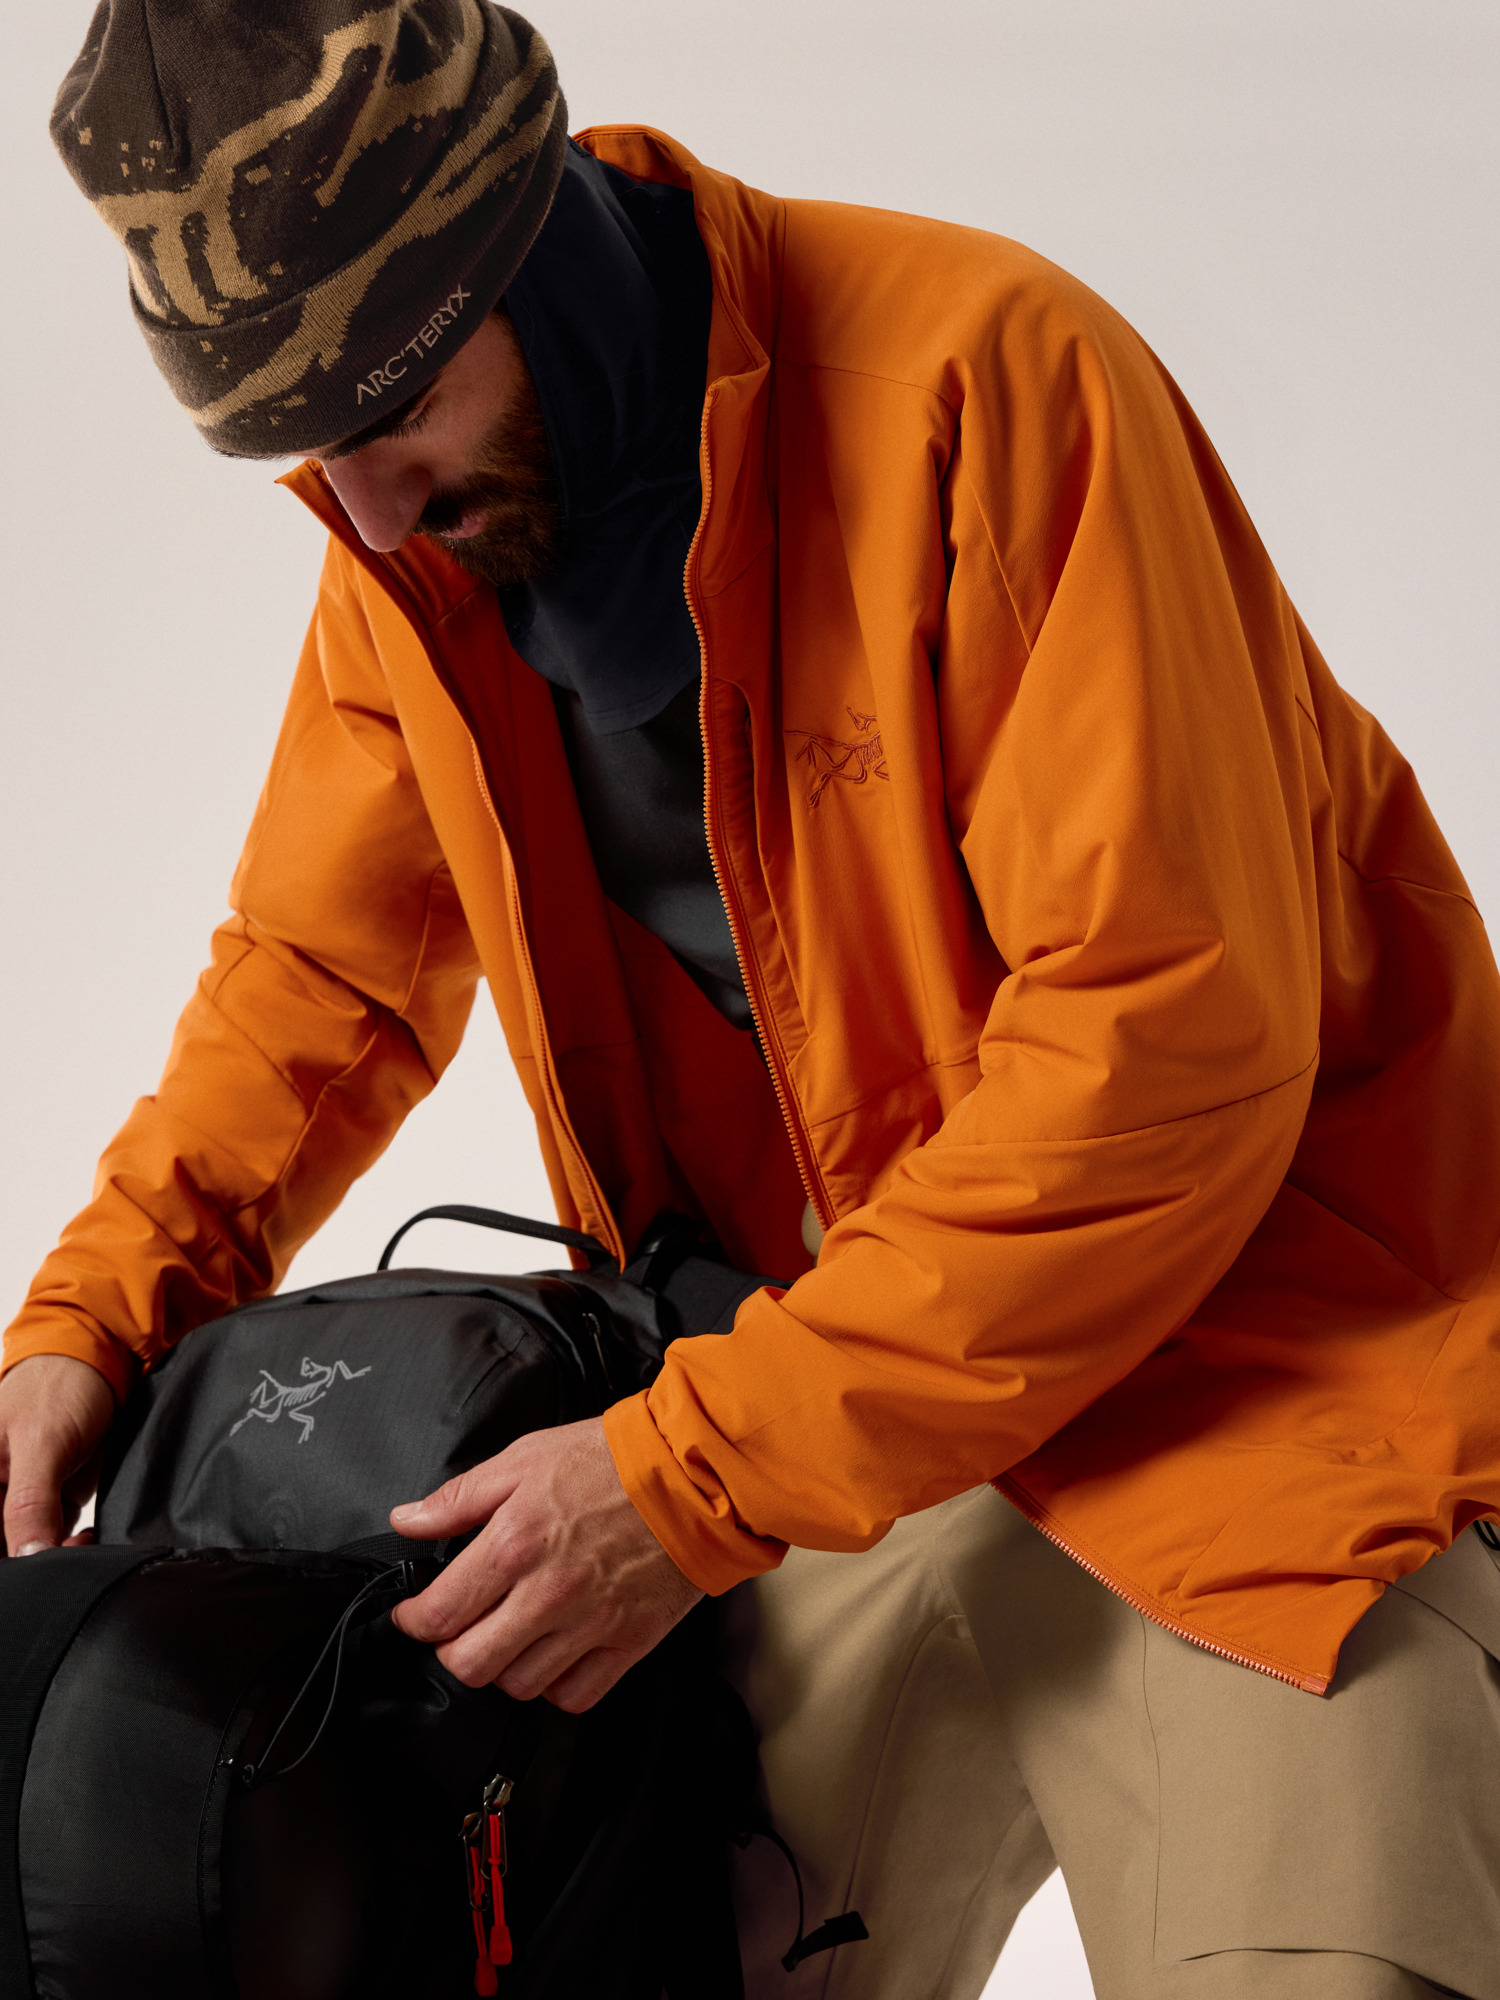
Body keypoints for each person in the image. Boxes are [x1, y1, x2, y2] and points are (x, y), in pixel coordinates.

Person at [5, 3, 1500, 1995]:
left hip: (1265, 1386)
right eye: (302, 452)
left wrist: (687, 1477)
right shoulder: (425, 562)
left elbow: (1165, 1056)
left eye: (388, 408)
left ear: (517, 244)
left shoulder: (990, 384)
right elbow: (319, 975)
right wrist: (97, 1313)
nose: (361, 512)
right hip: (818, 1427)